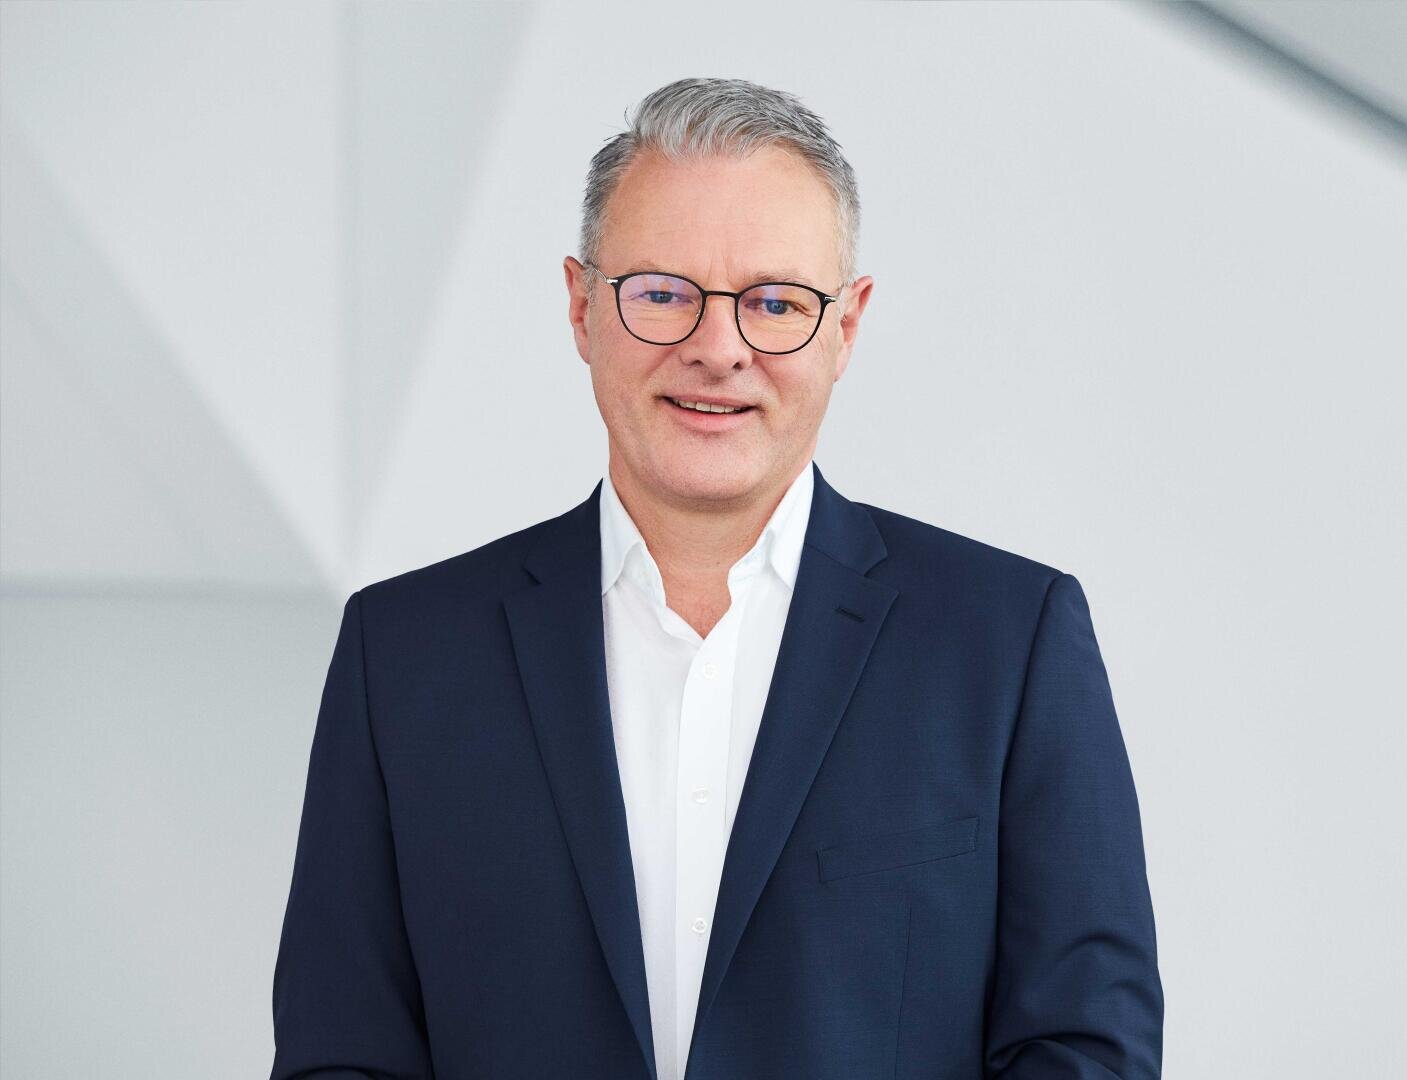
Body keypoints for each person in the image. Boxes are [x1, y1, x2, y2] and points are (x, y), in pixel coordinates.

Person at [270, 76, 1164, 1080]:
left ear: (847, 327)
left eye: (775, 302)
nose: (717, 348)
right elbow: (342, 1054)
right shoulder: (405, 655)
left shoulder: (1007, 643)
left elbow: (1085, 1051)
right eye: (663, 294)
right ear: (581, 308)